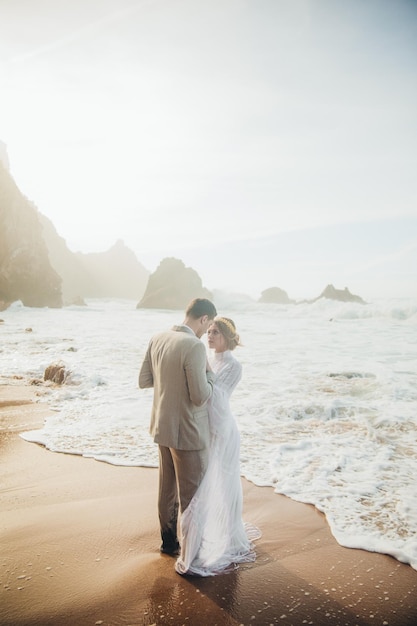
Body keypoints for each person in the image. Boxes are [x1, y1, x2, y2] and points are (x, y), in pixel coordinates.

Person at [175, 317, 261, 576]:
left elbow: (217, 397)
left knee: (222, 485)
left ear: (228, 337)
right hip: (206, 428)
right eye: (209, 331)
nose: (210, 336)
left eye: (215, 332)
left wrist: (199, 380)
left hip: (222, 432)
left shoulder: (234, 365)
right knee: (206, 483)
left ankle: (228, 537)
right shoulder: (209, 359)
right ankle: (199, 538)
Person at [138, 298, 217, 555]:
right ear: (203, 319)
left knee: (167, 489)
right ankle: (193, 553)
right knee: (192, 495)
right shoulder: (194, 346)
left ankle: (169, 543)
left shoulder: (157, 338)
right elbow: (199, 396)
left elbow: (144, 380)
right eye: (209, 326)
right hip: (189, 431)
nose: (207, 333)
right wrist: (209, 374)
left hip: (162, 427)